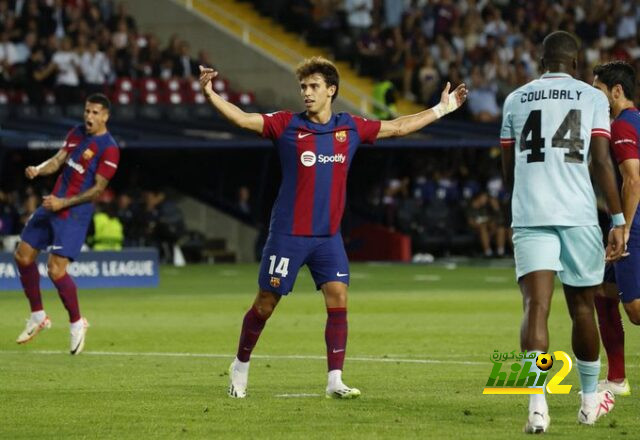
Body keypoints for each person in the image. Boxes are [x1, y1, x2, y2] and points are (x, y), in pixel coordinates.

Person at [198, 56, 466, 399]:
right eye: (303, 87)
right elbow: (243, 118)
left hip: (327, 237)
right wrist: (210, 93)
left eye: (313, 87)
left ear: (331, 90)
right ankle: (241, 365)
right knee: (266, 302)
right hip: (288, 234)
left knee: (338, 297)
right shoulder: (286, 125)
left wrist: (442, 109)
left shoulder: (349, 127)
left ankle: (335, 379)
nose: (306, 93)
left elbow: (397, 127)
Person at [500, 31, 625, 433]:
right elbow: (602, 163)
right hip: (577, 214)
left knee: (535, 308)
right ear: (576, 64)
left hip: (531, 211)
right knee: (582, 308)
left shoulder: (515, 99)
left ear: (540, 61)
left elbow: (508, 169)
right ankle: (589, 402)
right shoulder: (592, 97)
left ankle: (537, 408)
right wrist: (618, 220)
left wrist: (521, 199)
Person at [13, 93, 120, 355]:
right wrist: (38, 169)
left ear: (105, 116)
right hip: (52, 204)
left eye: (95, 113)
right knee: (23, 256)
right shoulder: (76, 133)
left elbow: (97, 190)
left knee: (56, 270)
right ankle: (38, 316)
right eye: (87, 111)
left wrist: (64, 203)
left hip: (73, 213)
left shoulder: (109, 148)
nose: (89, 117)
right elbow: (59, 160)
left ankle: (76, 323)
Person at [592, 60, 640, 397]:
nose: (596, 99)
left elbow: (633, 180)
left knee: (635, 309)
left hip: (633, 222)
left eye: (599, 92)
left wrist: (623, 227)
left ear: (617, 91)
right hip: (624, 221)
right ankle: (617, 378)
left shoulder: (622, 125)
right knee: (603, 292)